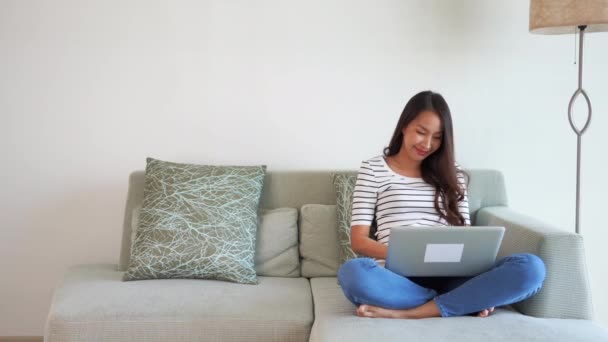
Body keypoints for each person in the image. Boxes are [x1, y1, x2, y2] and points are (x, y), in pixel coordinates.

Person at [337, 90, 546, 319]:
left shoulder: (452, 173)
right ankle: (463, 301)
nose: (427, 144)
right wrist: (408, 256)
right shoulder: (373, 170)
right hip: (398, 277)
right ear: (404, 126)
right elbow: (359, 241)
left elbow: (465, 236)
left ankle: (415, 312)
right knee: (353, 273)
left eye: (437, 137)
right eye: (421, 132)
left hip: (453, 274)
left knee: (531, 268)